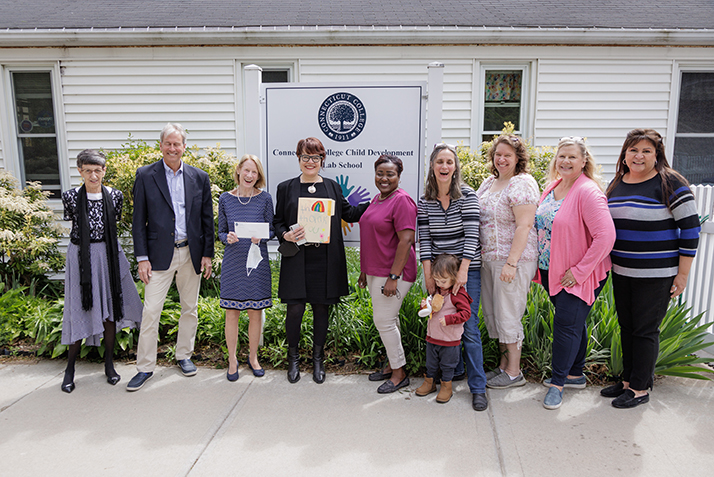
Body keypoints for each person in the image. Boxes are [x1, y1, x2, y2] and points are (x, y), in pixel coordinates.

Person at [604, 129, 701, 408]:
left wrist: (682, 274)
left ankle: (639, 389)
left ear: (657, 155)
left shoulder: (670, 182)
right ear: (624, 154)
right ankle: (626, 381)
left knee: (645, 330)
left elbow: (691, 229)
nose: (639, 156)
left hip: (656, 275)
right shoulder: (618, 183)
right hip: (622, 271)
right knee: (627, 327)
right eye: (634, 150)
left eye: (647, 151)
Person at [273, 137, 368, 384]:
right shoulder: (286, 187)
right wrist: (285, 234)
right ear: (298, 158)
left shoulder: (332, 187)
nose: (310, 162)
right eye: (305, 157)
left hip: (324, 259)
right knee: (294, 310)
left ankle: (317, 359)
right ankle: (292, 358)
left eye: (315, 157)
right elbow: (277, 221)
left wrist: (379, 202)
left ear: (322, 159)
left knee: (320, 310)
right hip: (297, 257)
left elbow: (349, 213)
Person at [127, 123, 214, 391]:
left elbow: (206, 219)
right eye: (168, 143)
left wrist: (207, 254)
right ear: (161, 146)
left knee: (190, 308)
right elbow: (138, 219)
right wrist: (142, 257)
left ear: (184, 147)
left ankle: (184, 355)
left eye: (177, 144)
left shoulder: (199, 177)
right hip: (157, 256)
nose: (173, 148)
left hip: (191, 252)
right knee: (151, 311)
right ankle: (145, 367)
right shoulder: (145, 175)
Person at [535, 136, 616, 410]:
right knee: (573, 323)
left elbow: (606, 237)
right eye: (561, 156)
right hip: (553, 271)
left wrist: (580, 271)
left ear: (584, 161)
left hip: (579, 274)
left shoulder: (588, 191)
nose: (565, 161)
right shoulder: (553, 187)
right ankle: (575, 373)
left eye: (572, 157)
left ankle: (558, 384)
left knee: (565, 327)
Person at [60, 150, 143, 393]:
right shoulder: (71, 197)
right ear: (80, 171)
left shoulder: (114, 195)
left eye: (98, 170)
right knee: (78, 308)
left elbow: (112, 223)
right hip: (81, 257)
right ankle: (69, 369)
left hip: (108, 255)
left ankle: (109, 364)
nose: (93, 175)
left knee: (110, 309)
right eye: (88, 170)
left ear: (104, 170)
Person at [417, 142, 488, 411]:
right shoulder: (426, 199)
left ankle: (478, 387)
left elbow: (472, 236)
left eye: (449, 162)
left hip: (465, 271)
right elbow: (425, 239)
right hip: (439, 274)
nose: (444, 167)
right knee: (437, 320)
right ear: (432, 167)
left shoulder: (467, 195)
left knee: (467, 328)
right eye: (439, 162)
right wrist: (428, 276)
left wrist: (462, 274)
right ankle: (448, 375)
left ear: (455, 166)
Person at [477, 135, 539, 390]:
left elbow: (524, 225)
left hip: (513, 260)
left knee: (509, 313)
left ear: (518, 159)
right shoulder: (489, 182)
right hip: (490, 259)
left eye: (508, 155)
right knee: (496, 314)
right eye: (498, 154)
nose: (501, 159)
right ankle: (503, 366)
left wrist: (511, 263)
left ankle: (514, 372)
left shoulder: (521, 183)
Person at [357, 154, 417, 394]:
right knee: (389, 320)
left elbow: (406, 240)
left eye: (390, 174)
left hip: (393, 273)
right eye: (380, 173)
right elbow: (374, 237)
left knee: (384, 321)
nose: (384, 178)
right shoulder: (378, 198)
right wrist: (364, 270)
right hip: (376, 270)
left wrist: (394, 277)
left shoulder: (402, 201)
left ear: (399, 177)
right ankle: (393, 364)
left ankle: (399, 373)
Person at [218, 154, 274, 381]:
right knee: (231, 313)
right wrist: (227, 237)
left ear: (258, 175)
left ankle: (253, 358)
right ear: (239, 171)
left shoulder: (265, 199)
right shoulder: (225, 199)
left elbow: (271, 230)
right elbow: (220, 231)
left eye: (255, 172)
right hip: (233, 262)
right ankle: (232, 360)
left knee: (255, 312)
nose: (250, 176)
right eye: (247, 170)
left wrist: (261, 237)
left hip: (256, 262)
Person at [415, 254, 473, 404]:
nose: (440, 284)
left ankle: (447, 386)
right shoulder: (437, 291)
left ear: (454, 277)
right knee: (431, 363)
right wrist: (425, 306)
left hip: (449, 339)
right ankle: (430, 382)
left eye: (443, 281)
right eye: (437, 280)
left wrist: (450, 319)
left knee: (448, 365)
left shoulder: (457, 294)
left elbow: (466, 313)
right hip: (433, 336)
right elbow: (432, 307)